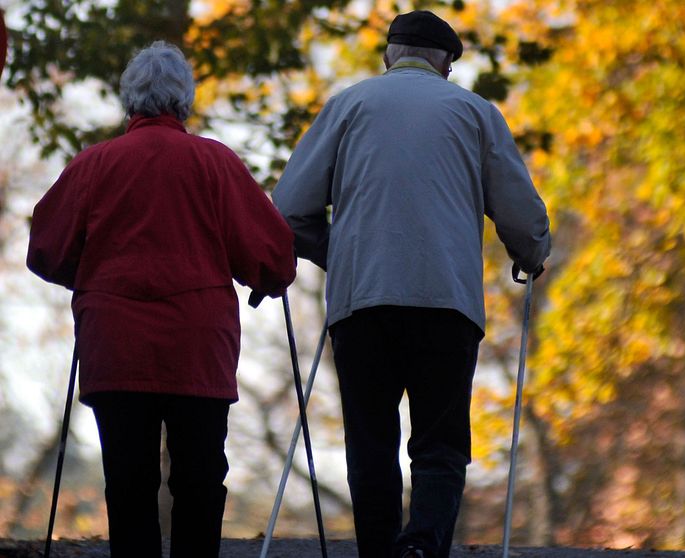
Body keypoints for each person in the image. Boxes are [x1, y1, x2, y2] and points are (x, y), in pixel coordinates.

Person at [272, 10, 551, 558]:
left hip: (362, 304)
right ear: (446, 63)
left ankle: (379, 552)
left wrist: (342, 255)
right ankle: (422, 547)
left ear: (388, 56)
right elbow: (522, 216)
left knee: (370, 441)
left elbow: (288, 211)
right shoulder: (475, 113)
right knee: (440, 445)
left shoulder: (348, 105)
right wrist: (531, 253)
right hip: (446, 303)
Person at [26, 41, 297, 557]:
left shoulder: (94, 164)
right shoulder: (214, 163)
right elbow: (270, 254)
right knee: (199, 480)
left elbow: (46, 248)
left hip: (115, 343)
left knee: (128, 482)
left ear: (128, 101)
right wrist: (271, 276)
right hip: (197, 346)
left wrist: (91, 280)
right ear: (184, 102)